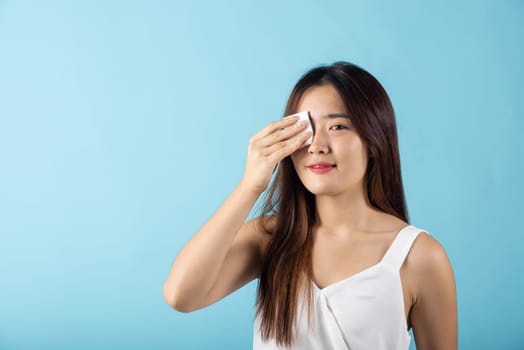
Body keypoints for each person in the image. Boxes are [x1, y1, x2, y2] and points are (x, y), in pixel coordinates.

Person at [163, 61, 458, 349]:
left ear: (375, 139)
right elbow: (181, 295)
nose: (317, 145)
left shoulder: (419, 257)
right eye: (304, 128)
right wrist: (250, 185)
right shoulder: (269, 238)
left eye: (338, 126)